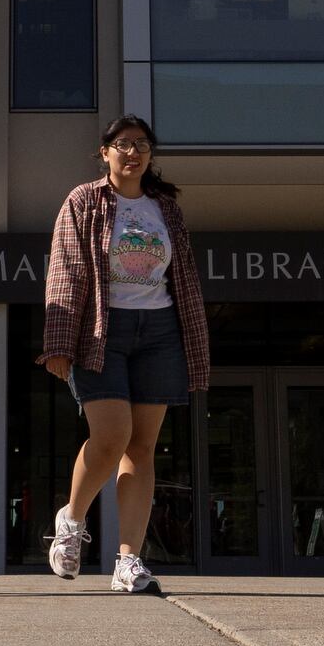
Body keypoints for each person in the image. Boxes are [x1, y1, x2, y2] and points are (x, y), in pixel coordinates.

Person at [39, 113, 210, 595]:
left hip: (159, 329)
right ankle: (71, 520)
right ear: (105, 152)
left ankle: (129, 561)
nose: (132, 152)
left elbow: (183, 275)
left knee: (142, 447)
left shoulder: (165, 208)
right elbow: (67, 269)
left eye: (141, 144)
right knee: (112, 436)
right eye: (122, 143)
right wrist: (58, 342)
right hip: (101, 328)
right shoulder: (84, 200)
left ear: (150, 154)